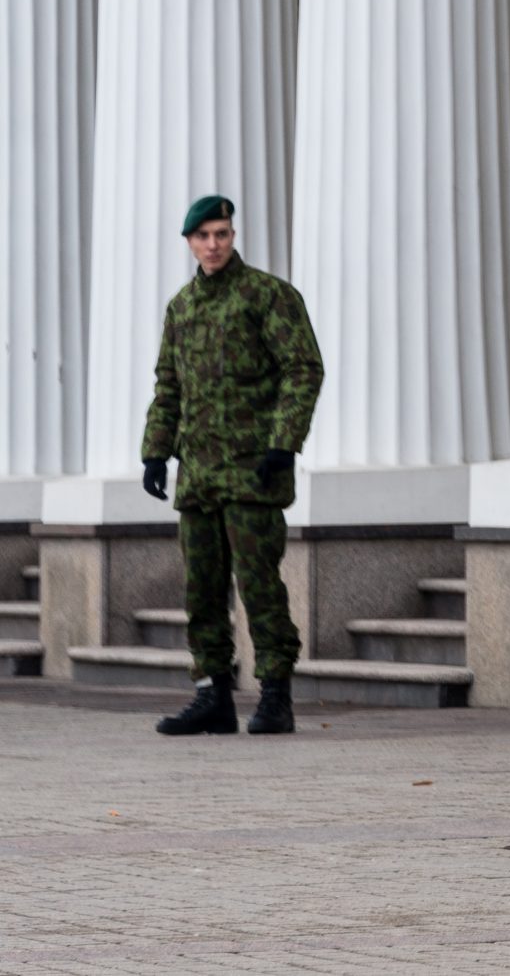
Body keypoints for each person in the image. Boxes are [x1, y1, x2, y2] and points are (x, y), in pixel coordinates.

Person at [141, 196, 325, 737]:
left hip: (253, 471)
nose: (213, 244)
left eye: (221, 233)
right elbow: (168, 386)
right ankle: (213, 695)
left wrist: (283, 443)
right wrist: (155, 451)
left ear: (233, 235)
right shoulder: (182, 308)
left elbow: (303, 368)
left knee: (259, 584)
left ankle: (275, 696)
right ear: (189, 243)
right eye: (203, 236)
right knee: (201, 589)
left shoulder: (268, 295)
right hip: (199, 473)